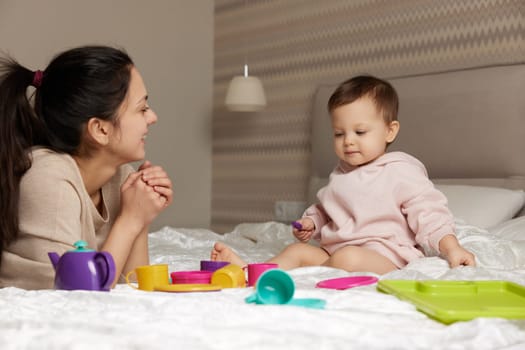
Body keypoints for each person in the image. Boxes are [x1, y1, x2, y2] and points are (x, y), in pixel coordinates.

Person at [211, 75, 476, 274]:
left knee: (348, 257)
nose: (348, 141)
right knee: (297, 251)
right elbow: (328, 210)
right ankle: (252, 273)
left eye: (360, 132)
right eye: (339, 133)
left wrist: (452, 248)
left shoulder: (401, 170)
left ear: (390, 131)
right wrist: (312, 224)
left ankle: (303, 280)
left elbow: (429, 213)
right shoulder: (341, 173)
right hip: (335, 254)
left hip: (383, 256)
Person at [0, 45, 173, 289]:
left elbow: (132, 284)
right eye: (142, 108)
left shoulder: (120, 175)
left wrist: (143, 214)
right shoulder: (48, 178)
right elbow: (78, 293)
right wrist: (131, 219)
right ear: (100, 130)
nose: (153, 116)